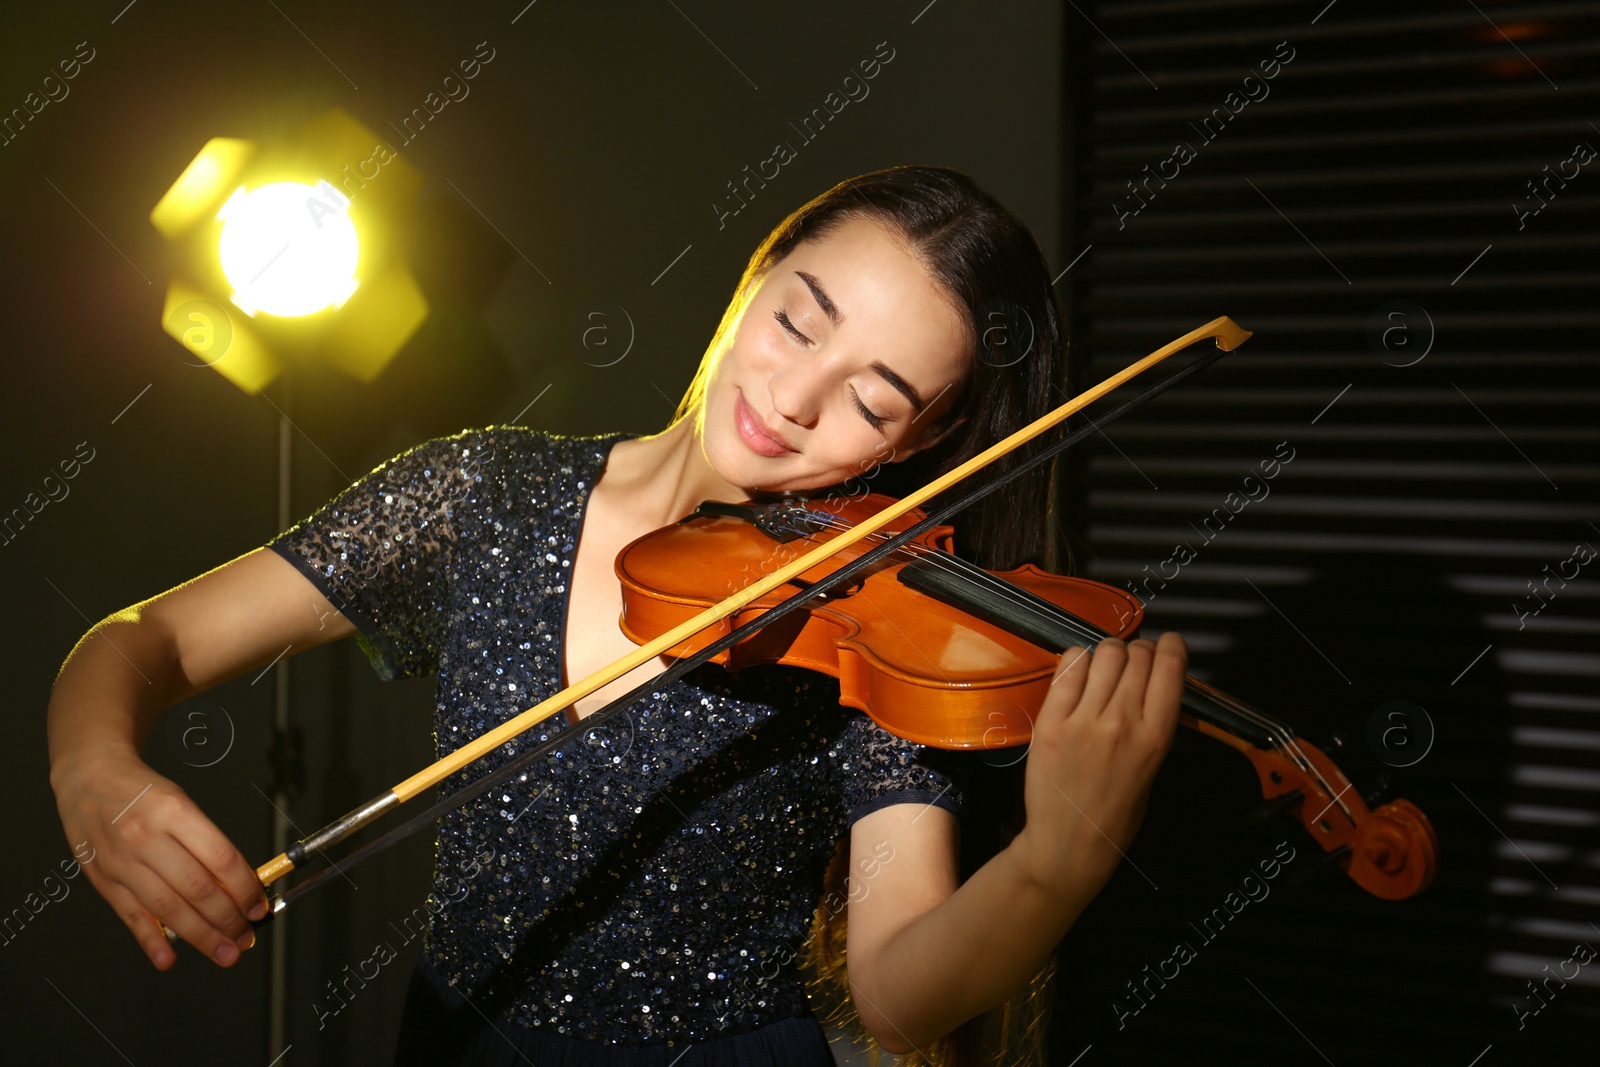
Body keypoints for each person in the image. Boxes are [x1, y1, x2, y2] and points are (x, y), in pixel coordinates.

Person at [47, 165, 1188, 1066]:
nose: (792, 402)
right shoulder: (484, 492)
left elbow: (893, 992)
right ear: (758, 275)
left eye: (872, 398)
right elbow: (143, 640)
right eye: (799, 322)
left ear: (916, 445)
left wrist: (1059, 858)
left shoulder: (872, 618)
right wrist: (93, 765)